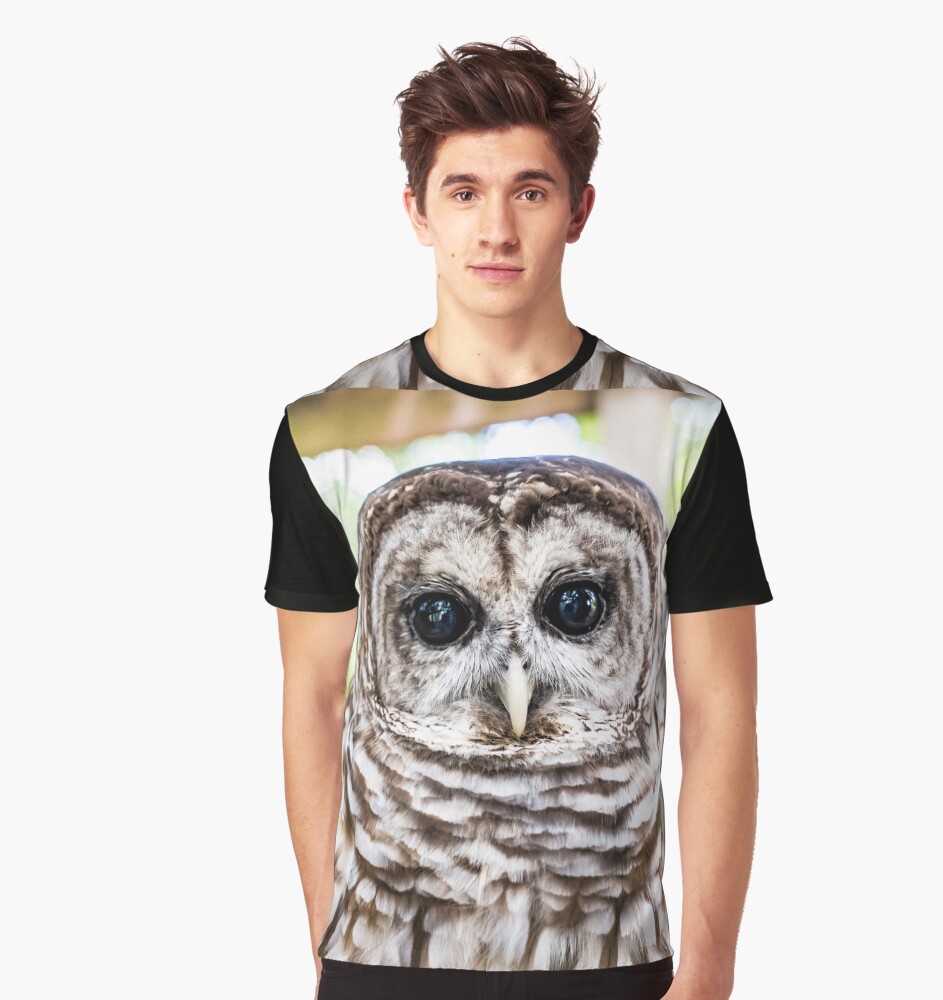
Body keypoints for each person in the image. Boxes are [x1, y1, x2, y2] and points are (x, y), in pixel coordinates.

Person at [264, 36, 772, 1000]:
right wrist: (335, 933)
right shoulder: (327, 431)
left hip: (616, 962)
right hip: (387, 959)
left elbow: (720, 714)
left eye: (530, 191)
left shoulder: (680, 427)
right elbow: (314, 699)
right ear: (417, 212)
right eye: (464, 192)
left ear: (579, 209)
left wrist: (708, 973)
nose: (495, 229)